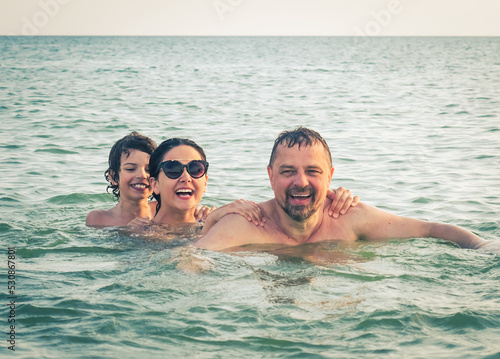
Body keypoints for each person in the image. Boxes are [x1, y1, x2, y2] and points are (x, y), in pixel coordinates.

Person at [195, 127, 495, 252]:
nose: (301, 182)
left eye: (313, 171)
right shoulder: (245, 225)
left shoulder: (351, 218)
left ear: (330, 177)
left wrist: (485, 248)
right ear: (271, 176)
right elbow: (188, 259)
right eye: (288, 172)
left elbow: (433, 230)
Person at [133, 137, 360, 231]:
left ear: (205, 180)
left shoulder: (218, 221)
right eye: (173, 169)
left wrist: (336, 197)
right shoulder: (138, 231)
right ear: (154, 185)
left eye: (196, 169)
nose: (186, 177)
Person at [86, 132, 158, 227]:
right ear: (114, 177)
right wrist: (128, 233)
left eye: (148, 170)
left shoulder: (164, 211)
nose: (142, 175)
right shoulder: (98, 219)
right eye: (130, 169)